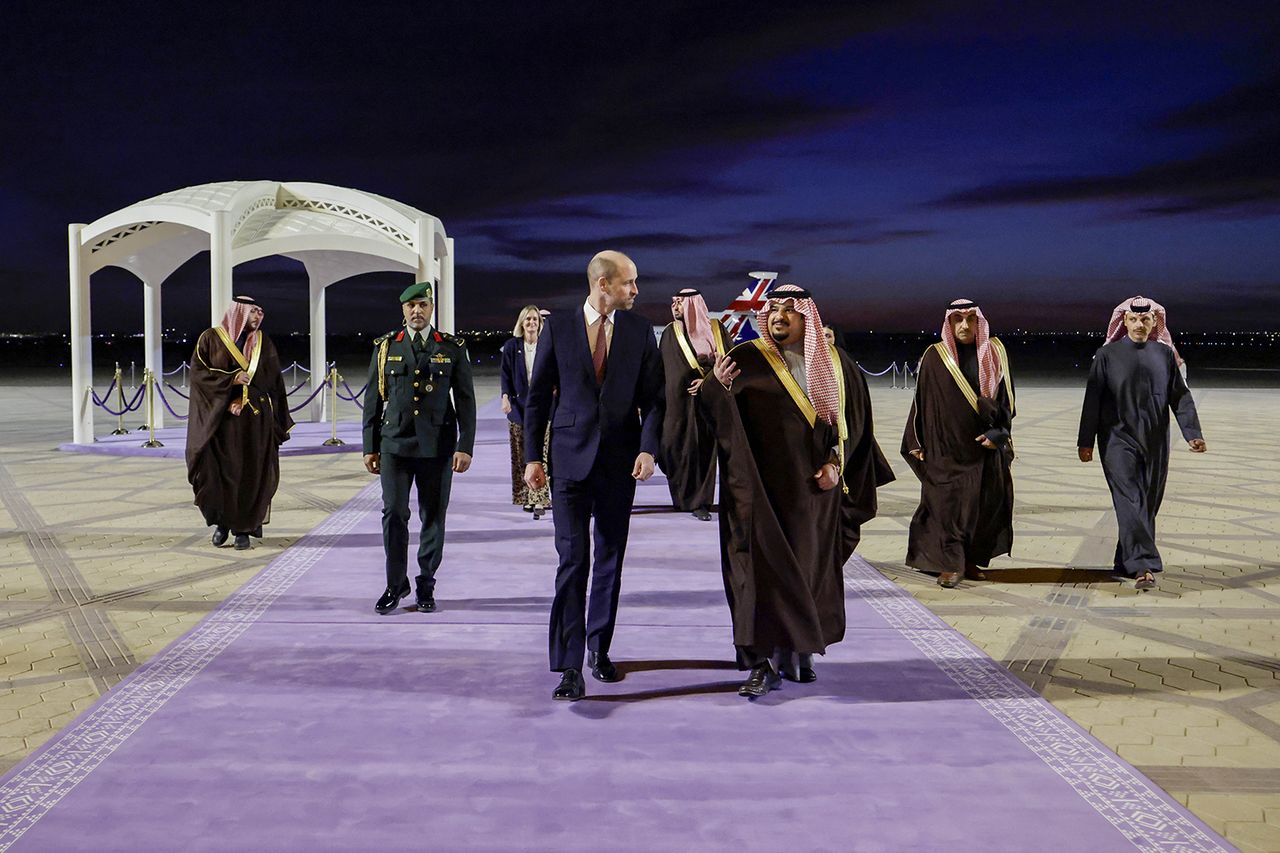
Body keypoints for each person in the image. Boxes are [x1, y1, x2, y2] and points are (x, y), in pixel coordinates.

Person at [705, 285, 893, 698]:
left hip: (812, 496)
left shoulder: (835, 365)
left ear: (808, 319)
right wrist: (714, 387)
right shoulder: (744, 359)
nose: (780, 316)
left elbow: (855, 426)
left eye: (790, 311)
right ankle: (759, 663)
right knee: (757, 577)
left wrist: (835, 465)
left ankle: (800, 650)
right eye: (773, 309)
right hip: (756, 494)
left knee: (808, 573)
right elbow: (713, 419)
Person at [523, 250, 662, 701]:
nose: (635, 291)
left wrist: (647, 448)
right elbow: (538, 396)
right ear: (603, 284)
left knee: (609, 560)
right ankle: (568, 665)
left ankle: (599, 650)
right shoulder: (559, 327)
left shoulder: (641, 331)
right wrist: (532, 458)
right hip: (568, 464)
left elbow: (654, 399)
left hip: (619, 464)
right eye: (629, 283)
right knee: (572, 561)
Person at [362, 282, 476, 615]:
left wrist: (465, 445)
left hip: (437, 446)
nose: (417, 311)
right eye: (411, 306)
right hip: (394, 444)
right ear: (403, 311)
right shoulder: (386, 347)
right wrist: (370, 446)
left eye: (423, 305)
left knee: (433, 517)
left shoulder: (451, 347)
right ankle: (395, 583)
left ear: (431, 309)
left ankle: (426, 581)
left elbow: (466, 400)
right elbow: (373, 400)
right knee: (394, 514)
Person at [1078, 296, 1205, 591]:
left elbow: (1180, 396)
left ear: (1154, 322)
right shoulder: (1106, 355)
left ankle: (1125, 559)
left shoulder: (1164, 355)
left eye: (1145, 320)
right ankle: (1143, 565)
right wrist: (1086, 441)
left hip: (1156, 440)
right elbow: (1092, 400)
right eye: (1133, 320)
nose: (1139, 324)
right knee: (1130, 499)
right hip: (1116, 440)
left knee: (1147, 503)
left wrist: (1192, 433)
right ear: (1123, 321)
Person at [901, 299, 1016, 588]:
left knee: (980, 508)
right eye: (958, 320)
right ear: (949, 323)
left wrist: (998, 435)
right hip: (945, 450)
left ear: (979, 322)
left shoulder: (995, 352)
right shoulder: (934, 355)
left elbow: (1007, 401)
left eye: (970, 319)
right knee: (946, 507)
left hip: (983, 450)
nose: (964, 325)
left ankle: (969, 560)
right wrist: (914, 440)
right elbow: (921, 402)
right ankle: (950, 564)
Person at [186, 295, 293, 551]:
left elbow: (274, 383)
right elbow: (199, 374)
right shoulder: (210, 339)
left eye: (261, 312)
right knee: (219, 474)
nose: (258, 317)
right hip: (220, 423)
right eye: (253, 312)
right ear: (239, 313)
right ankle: (222, 524)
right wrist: (231, 382)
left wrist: (275, 416)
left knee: (251, 473)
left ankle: (244, 528)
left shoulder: (263, 343)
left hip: (255, 422)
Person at [657, 288, 729, 521]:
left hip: (707, 404)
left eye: (680, 303)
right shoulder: (670, 333)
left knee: (703, 450)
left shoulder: (717, 330)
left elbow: (729, 363)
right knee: (673, 447)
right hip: (677, 406)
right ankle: (681, 498)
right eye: (673, 302)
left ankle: (700, 501)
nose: (675, 307)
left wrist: (708, 382)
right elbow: (665, 369)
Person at [500, 305, 551, 517]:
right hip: (519, 408)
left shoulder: (547, 346)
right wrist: (505, 396)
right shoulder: (512, 347)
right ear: (521, 323)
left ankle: (539, 498)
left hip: (543, 409)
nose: (531, 323)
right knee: (521, 454)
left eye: (535, 320)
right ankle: (524, 495)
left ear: (540, 324)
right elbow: (505, 374)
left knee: (542, 454)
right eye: (528, 319)